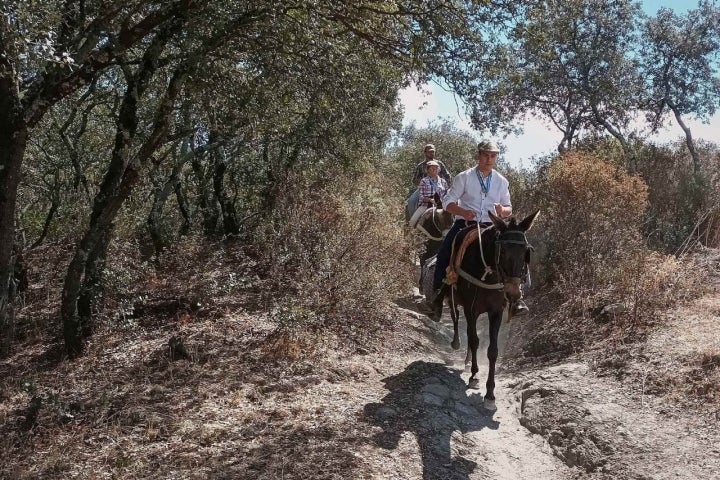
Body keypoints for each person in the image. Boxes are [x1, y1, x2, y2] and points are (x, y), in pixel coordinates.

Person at [429, 140, 529, 318]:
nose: (489, 159)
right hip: (465, 224)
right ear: (478, 155)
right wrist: (462, 211)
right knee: (445, 250)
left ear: (496, 158)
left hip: (492, 226)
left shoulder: (501, 181)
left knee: (516, 249)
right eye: (485, 155)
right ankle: (437, 296)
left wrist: (502, 210)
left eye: (493, 156)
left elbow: (509, 208)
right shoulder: (464, 177)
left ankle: (516, 298)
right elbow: (447, 202)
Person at [406, 144, 451, 220]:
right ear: (425, 153)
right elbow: (414, 179)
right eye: (430, 152)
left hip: (440, 187)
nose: (432, 154)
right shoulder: (420, 166)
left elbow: (447, 176)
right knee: (411, 201)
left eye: (433, 152)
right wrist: (424, 182)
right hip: (424, 189)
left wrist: (444, 185)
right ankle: (413, 222)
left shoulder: (439, 164)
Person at [408, 160, 449, 227]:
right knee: (412, 221)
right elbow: (421, 196)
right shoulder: (424, 181)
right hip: (426, 205)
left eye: (436, 168)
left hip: (441, 205)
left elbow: (447, 194)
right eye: (432, 168)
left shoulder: (443, 181)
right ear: (427, 170)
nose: (434, 170)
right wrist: (430, 200)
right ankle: (412, 234)